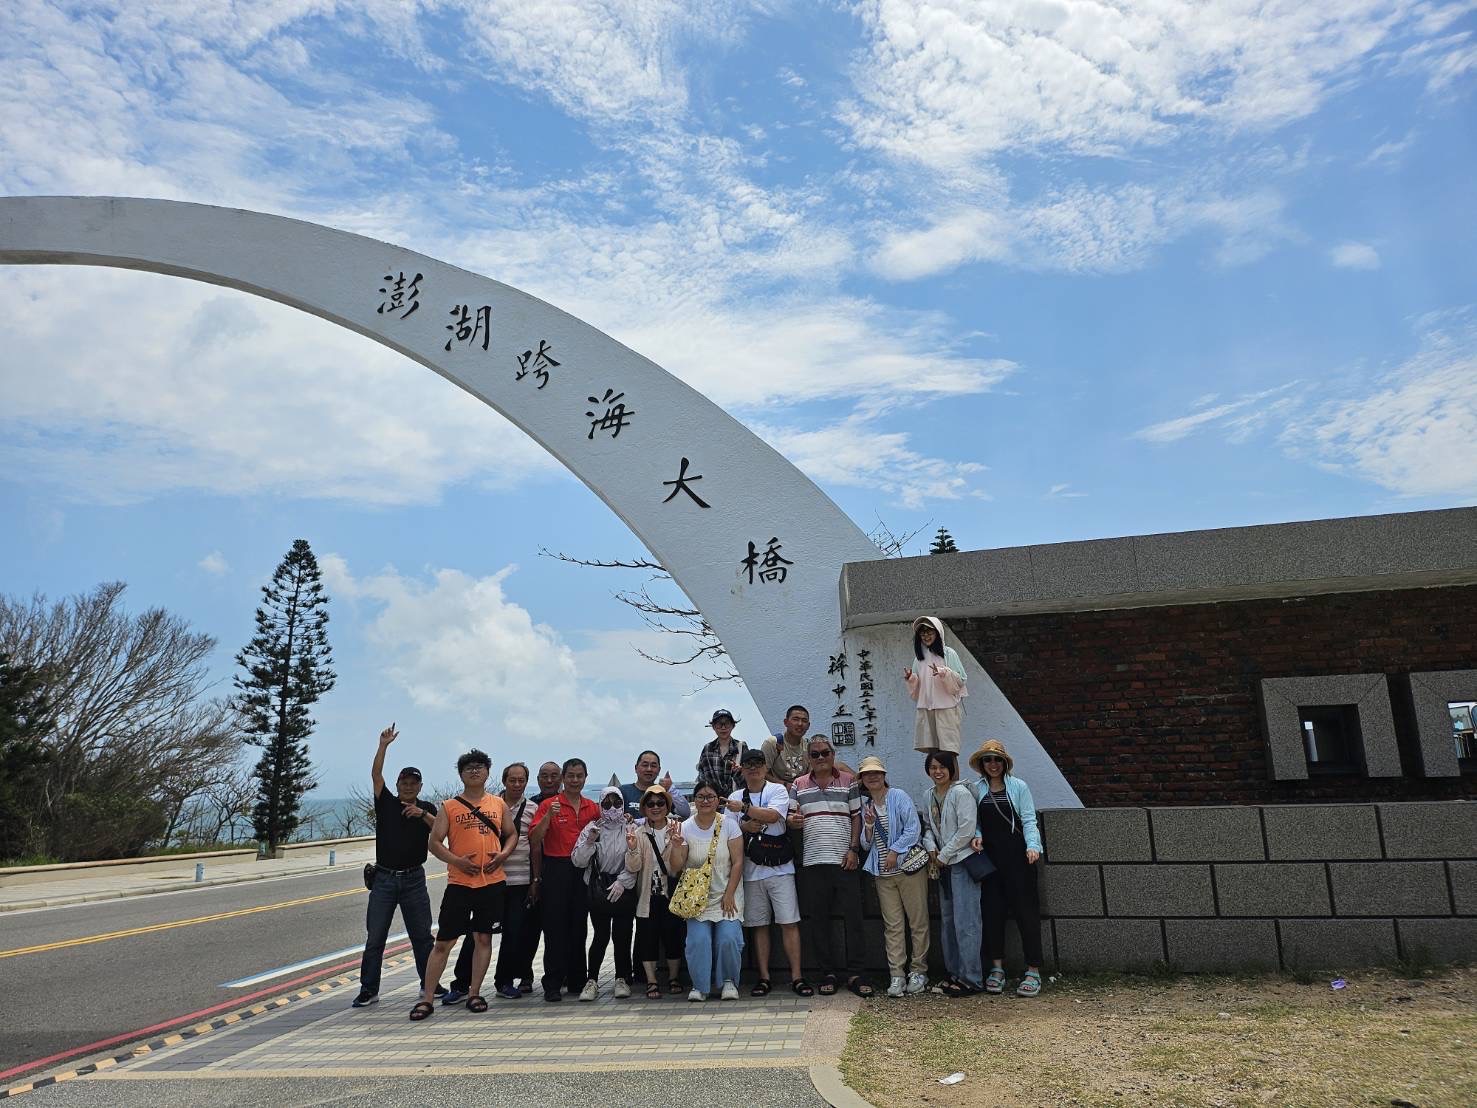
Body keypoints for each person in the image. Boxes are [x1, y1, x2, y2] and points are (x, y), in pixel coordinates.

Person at [409, 749, 514, 1021]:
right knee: (444, 941)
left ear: (488, 773)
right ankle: (428, 998)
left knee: (483, 938)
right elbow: (434, 842)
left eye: (480, 767)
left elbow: (512, 834)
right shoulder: (449, 806)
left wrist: (502, 855)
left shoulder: (498, 804)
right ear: (461, 774)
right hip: (459, 883)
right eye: (469, 768)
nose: (475, 771)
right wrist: (457, 861)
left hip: (491, 882)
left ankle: (475, 992)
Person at [353, 724, 438, 1009]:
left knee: (422, 936)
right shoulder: (386, 803)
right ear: (398, 783)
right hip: (384, 880)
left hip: (415, 879)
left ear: (420, 787)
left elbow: (441, 830)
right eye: (404, 781)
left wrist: (421, 813)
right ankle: (369, 989)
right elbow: (376, 775)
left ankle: (429, 984)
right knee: (375, 937)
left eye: (414, 783)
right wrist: (383, 746)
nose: (409, 786)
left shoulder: (428, 807)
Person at [445, 761, 540, 1004]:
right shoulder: (490, 804)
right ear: (504, 781)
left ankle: (504, 981)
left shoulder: (532, 808)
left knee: (513, 934)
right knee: (476, 936)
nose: (517, 784)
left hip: (518, 881)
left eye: (522, 781)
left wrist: (534, 880)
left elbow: (534, 846)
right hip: (486, 882)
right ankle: (461, 983)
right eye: (512, 780)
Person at [788, 735, 873, 998]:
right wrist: (794, 822)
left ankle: (856, 972)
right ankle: (827, 972)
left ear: (833, 755)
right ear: (808, 758)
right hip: (813, 861)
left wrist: (853, 849)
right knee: (818, 921)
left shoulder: (849, 782)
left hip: (844, 859)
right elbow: (791, 817)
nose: (821, 758)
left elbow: (857, 818)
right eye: (815, 754)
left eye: (825, 753)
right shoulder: (798, 784)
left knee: (854, 919)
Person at [728, 748, 809, 997]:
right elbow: (729, 830)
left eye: (758, 763)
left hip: (780, 868)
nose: (753, 768)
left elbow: (774, 816)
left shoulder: (775, 790)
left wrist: (744, 810)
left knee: (789, 923)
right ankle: (763, 977)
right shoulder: (735, 795)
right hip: (751, 870)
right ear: (741, 768)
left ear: (765, 767)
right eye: (748, 764)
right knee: (758, 925)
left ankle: (797, 976)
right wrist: (744, 824)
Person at [969, 739, 1045, 998]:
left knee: (1026, 913)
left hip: (1019, 858)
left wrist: (1033, 845)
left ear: (1004, 763)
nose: (993, 764)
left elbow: (1028, 818)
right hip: (990, 860)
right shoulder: (976, 789)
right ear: (982, 764)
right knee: (992, 913)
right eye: (988, 760)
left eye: (997, 759)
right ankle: (997, 968)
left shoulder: (1018, 786)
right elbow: (975, 821)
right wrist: (977, 835)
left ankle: (1033, 969)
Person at [857, 755, 929, 998]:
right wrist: (868, 826)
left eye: (877, 772)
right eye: (868, 774)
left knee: (918, 922)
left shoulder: (898, 796)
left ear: (884, 775)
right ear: (862, 780)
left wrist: (895, 851)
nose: (873, 777)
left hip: (908, 869)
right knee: (893, 926)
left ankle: (918, 971)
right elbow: (866, 845)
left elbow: (913, 828)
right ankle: (896, 974)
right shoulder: (866, 806)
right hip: (883, 874)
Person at [667, 778, 745, 1001]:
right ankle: (700, 985)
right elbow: (676, 867)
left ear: (718, 800)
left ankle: (729, 981)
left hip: (727, 893)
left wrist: (730, 893)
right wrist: (675, 845)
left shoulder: (729, 824)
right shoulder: (685, 827)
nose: (705, 801)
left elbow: (738, 862)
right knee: (697, 941)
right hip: (697, 897)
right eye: (700, 796)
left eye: (710, 796)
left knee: (728, 938)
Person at [529, 757, 599, 1002]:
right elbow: (535, 838)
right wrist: (548, 815)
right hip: (556, 868)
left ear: (585, 778)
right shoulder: (549, 804)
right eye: (570, 776)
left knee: (578, 927)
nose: (575, 780)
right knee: (554, 928)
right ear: (563, 779)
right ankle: (552, 982)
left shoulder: (592, 807)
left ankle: (577, 979)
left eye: (579, 776)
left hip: (582, 871)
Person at [922, 751, 985, 997]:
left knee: (967, 922)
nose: (938, 772)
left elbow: (967, 829)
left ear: (951, 769)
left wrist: (944, 854)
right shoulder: (929, 795)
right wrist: (931, 849)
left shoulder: (960, 792)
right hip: (942, 865)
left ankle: (972, 978)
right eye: (933, 767)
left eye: (942, 767)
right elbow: (928, 827)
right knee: (948, 921)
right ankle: (954, 973)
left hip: (961, 862)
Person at [572, 786, 638, 1000]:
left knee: (623, 935)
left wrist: (623, 881)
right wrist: (590, 840)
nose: (612, 809)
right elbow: (578, 860)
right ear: (600, 805)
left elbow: (637, 859)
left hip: (624, 888)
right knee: (600, 936)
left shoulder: (631, 827)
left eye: (617, 803)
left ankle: (622, 978)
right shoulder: (593, 827)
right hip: (599, 889)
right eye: (607, 804)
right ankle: (592, 980)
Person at [624, 783, 687, 998]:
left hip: (670, 894)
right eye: (650, 803)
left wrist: (677, 845)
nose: (656, 807)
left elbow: (677, 868)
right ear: (644, 807)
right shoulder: (638, 833)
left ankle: (673, 977)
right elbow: (633, 868)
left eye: (661, 802)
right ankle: (652, 981)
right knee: (647, 940)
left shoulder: (677, 830)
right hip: (647, 896)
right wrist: (632, 849)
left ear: (667, 805)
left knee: (673, 939)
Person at [903, 616, 968, 754]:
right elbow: (917, 688)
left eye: (930, 631)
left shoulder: (949, 654)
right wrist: (911, 678)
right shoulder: (919, 658)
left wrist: (944, 673)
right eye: (923, 633)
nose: (926, 636)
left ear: (938, 633)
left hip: (947, 708)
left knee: (949, 752)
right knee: (933, 752)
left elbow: (961, 679)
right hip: (926, 708)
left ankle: (954, 777)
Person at [620, 751, 691, 820]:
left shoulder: (662, 792)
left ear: (659, 770)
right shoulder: (623, 791)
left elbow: (685, 813)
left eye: (653, 766)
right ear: (636, 768)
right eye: (645, 765)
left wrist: (671, 789)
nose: (649, 769)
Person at [696, 708, 748, 797]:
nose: (723, 728)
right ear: (713, 727)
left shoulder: (741, 747)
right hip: (714, 802)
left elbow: (749, 779)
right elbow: (702, 778)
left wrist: (739, 772)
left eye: (727, 723)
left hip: (736, 802)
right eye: (719, 724)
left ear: (733, 726)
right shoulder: (707, 749)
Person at [761, 705, 812, 786]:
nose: (800, 724)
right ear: (786, 722)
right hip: (777, 793)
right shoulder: (773, 743)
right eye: (795, 719)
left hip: (802, 793)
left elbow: (811, 775)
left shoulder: (809, 746)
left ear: (808, 726)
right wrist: (785, 785)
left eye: (804, 720)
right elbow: (762, 773)